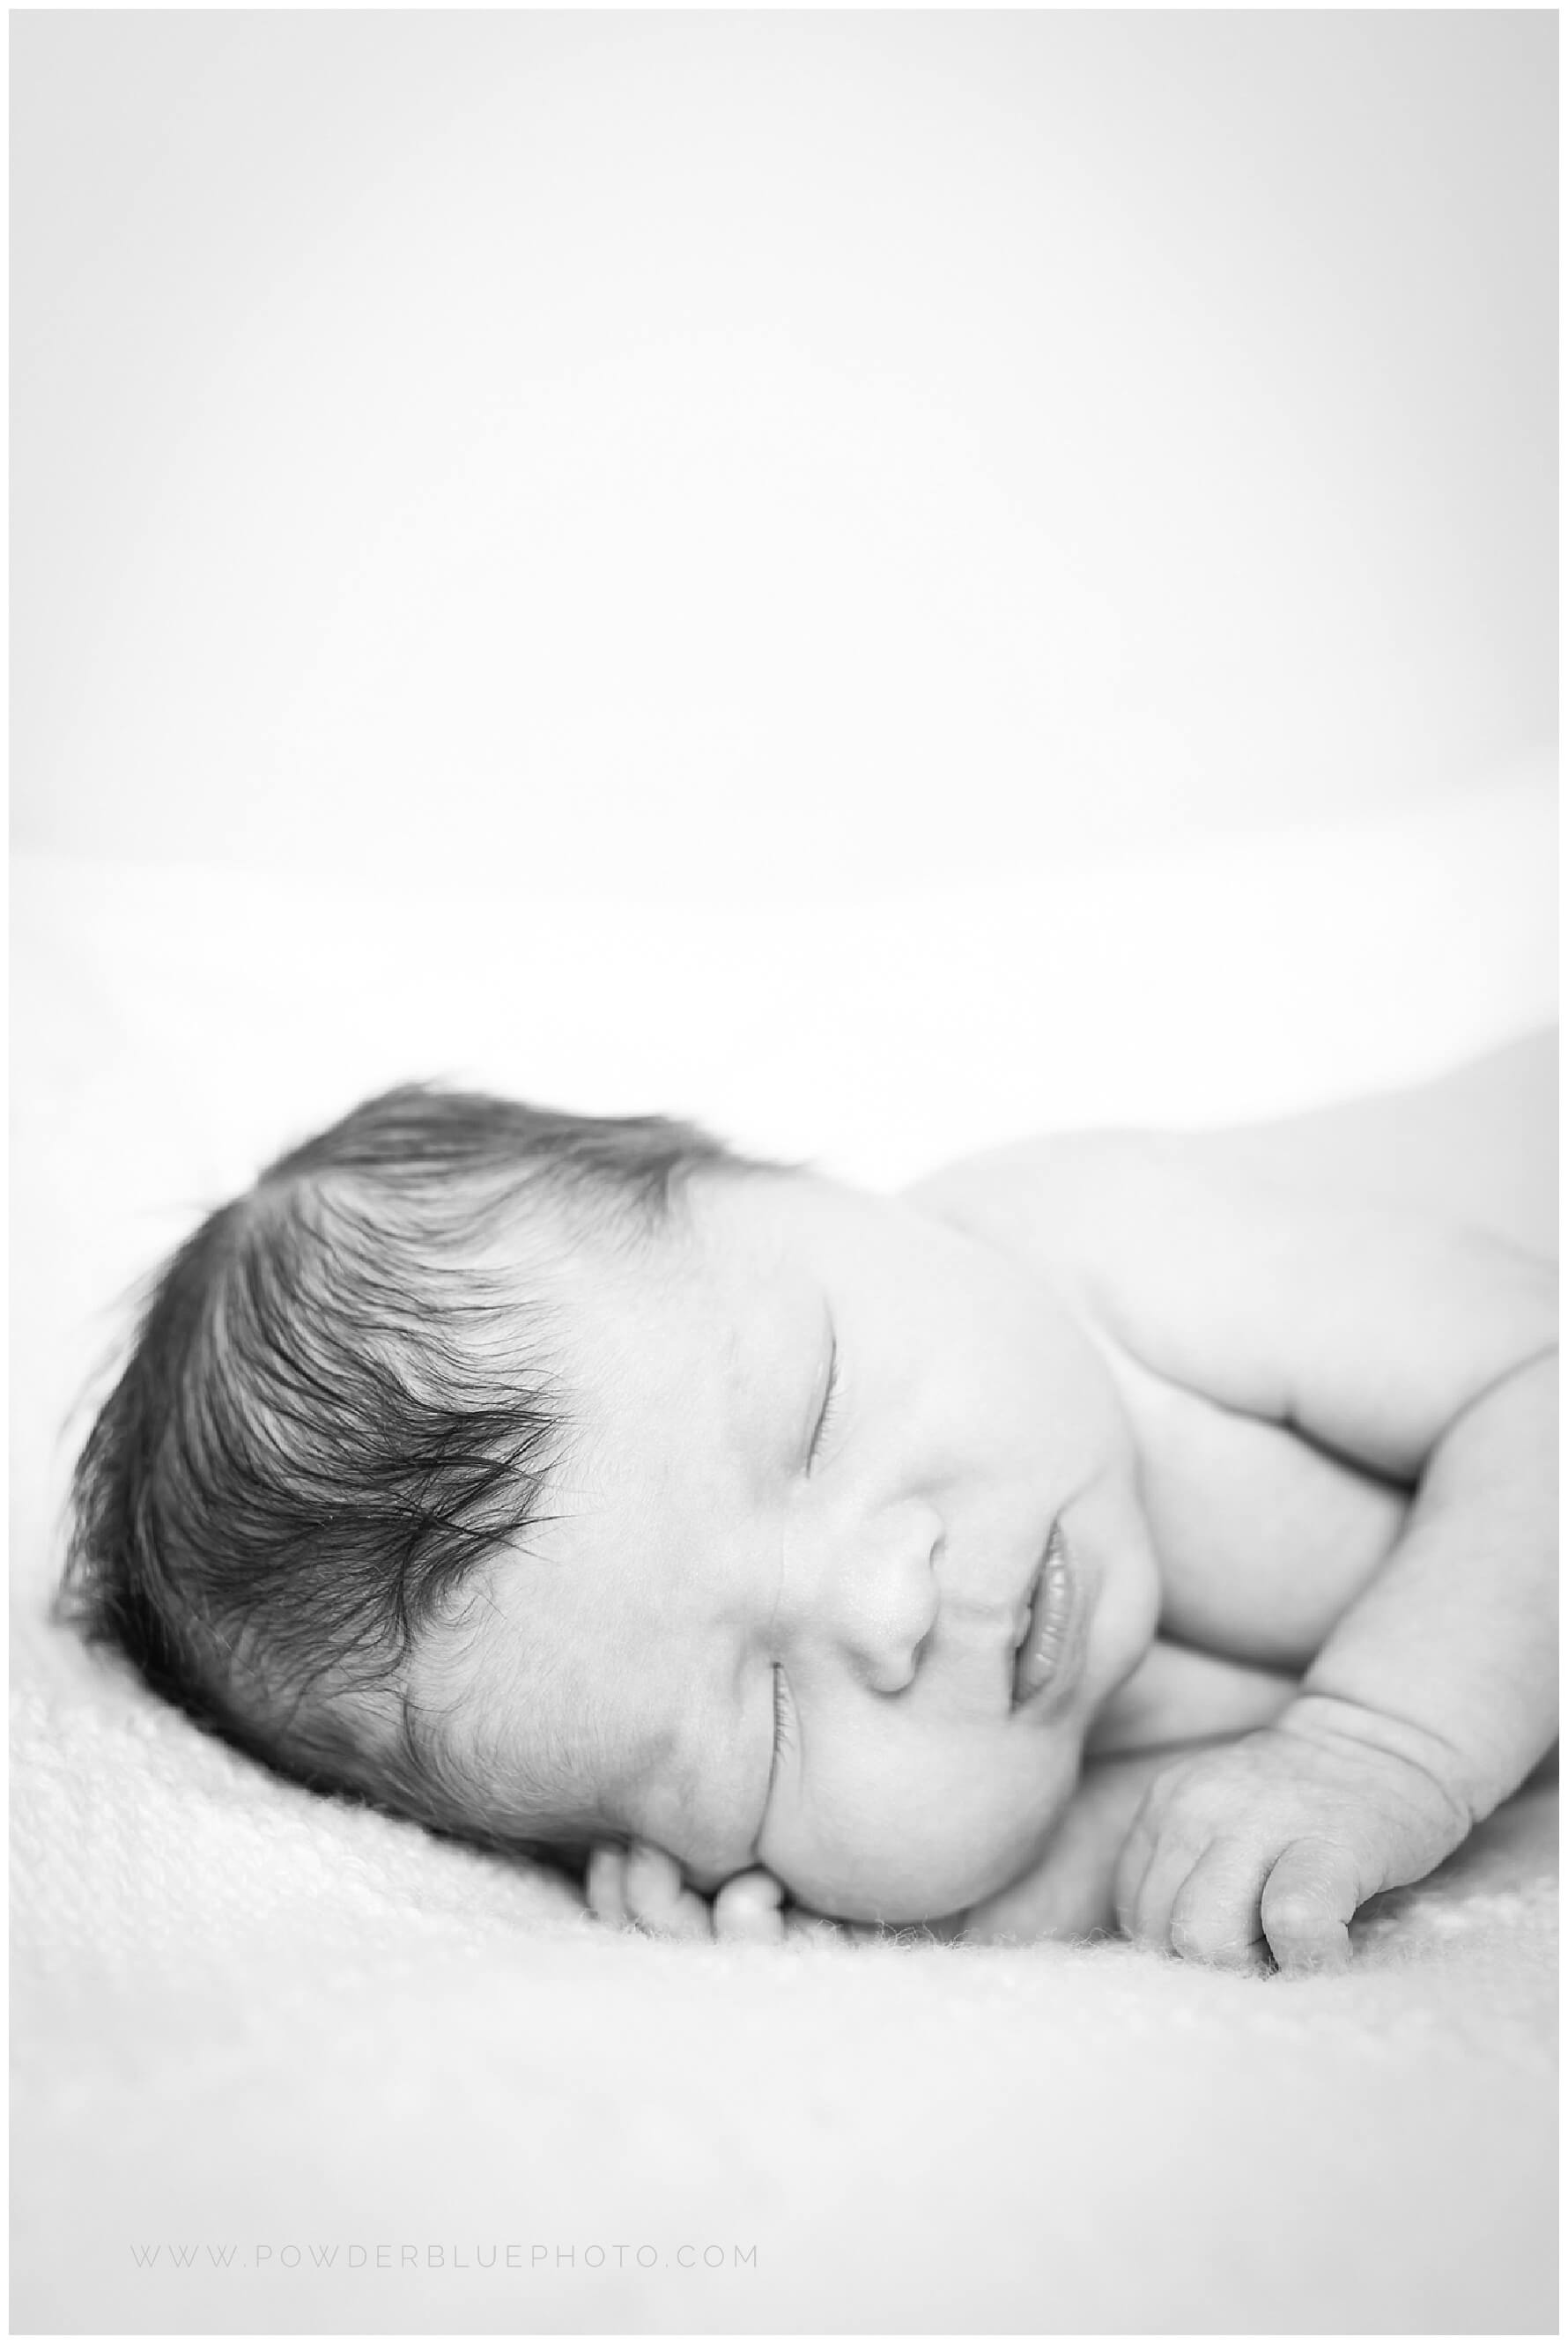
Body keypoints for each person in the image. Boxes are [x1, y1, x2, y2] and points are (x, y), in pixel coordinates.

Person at [61, 1036, 1557, 1974]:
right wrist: (903, 1918)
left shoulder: (1098, 1248)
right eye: (763, 1726)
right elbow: (1203, 1848)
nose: (884, 1607)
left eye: (814, 1413)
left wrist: (1378, 1749)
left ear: (821, 1188)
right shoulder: (1005, 1757)